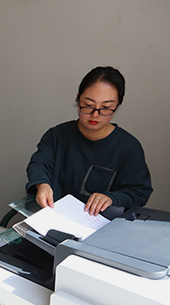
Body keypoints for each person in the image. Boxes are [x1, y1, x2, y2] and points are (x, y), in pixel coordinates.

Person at [26, 66, 153, 216]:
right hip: (54, 218)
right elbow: (39, 164)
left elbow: (140, 192)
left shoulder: (129, 148)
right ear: (78, 99)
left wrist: (112, 198)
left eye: (106, 108)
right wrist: (42, 184)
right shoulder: (56, 136)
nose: (95, 114)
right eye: (88, 105)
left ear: (117, 106)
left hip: (103, 225)